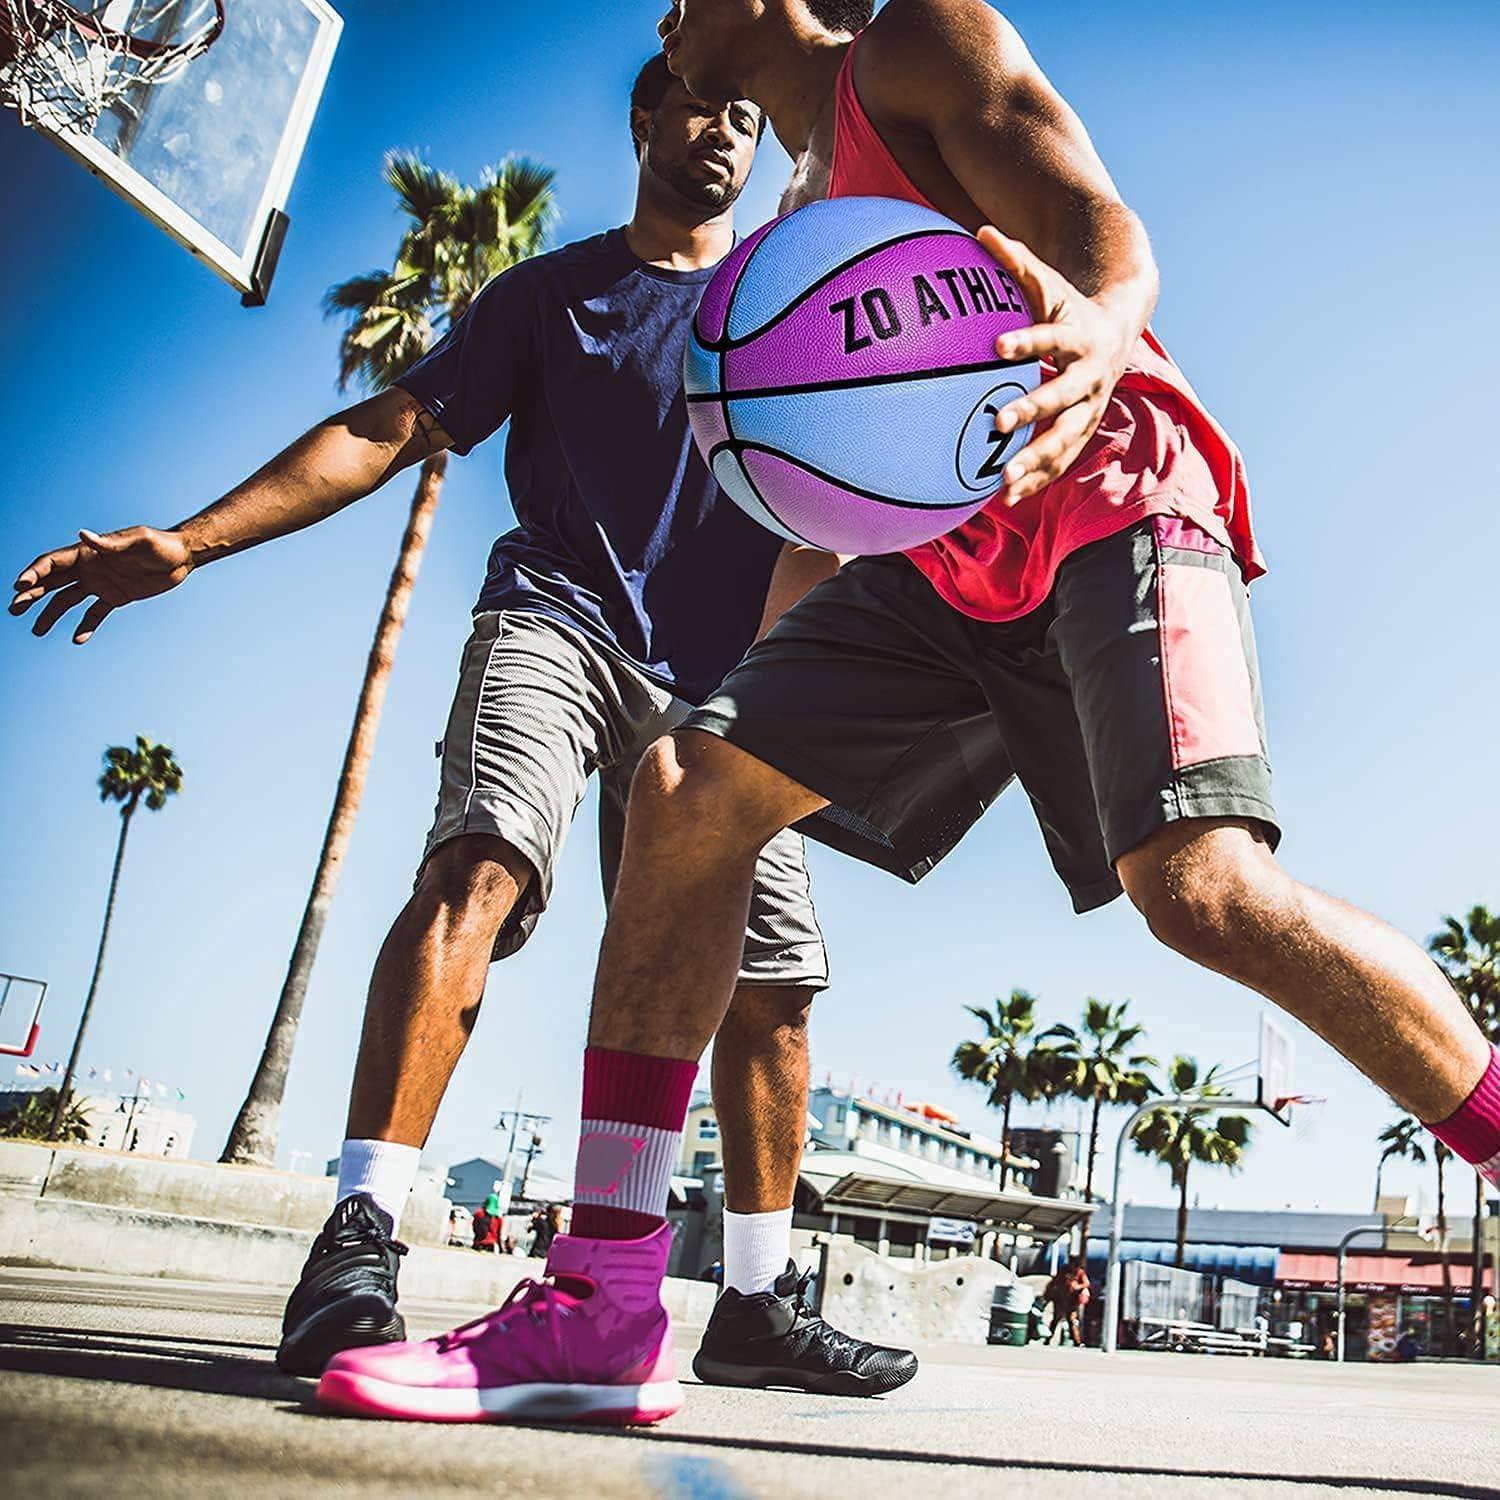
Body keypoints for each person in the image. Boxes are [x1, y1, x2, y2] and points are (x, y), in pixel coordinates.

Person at [306, 0, 1500, 1425]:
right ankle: (603, 1299)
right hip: (944, 569)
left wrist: (1106, 328)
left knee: (1201, 892)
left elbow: (1097, 222)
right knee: (690, 788)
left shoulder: (920, 48)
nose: (669, 13)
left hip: (1114, 498)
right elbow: (820, 515)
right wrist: (760, 717)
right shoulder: (787, 236)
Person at [8, 50, 914, 1399]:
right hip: (559, 619)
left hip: (722, 680)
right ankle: (364, 1226)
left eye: (743, 111)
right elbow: (384, 428)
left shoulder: (780, 304)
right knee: (480, 867)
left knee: (776, 989)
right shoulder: (547, 296)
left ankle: (757, 1299)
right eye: (700, 106)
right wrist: (192, 543)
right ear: (645, 117)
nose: (725, 129)